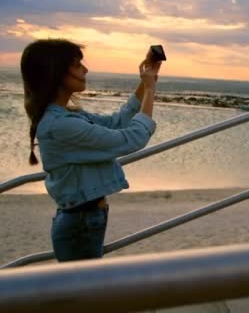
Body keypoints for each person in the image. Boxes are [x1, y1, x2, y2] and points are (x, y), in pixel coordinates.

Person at [21, 39, 162, 262]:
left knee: (83, 291)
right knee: (80, 294)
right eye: (77, 65)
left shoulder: (66, 117)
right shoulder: (61, 125)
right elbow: (133, 138)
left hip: (85, 220)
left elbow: (118, 122)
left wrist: (146, 82)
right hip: (81, 224)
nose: (85, 69)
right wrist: (151, 89)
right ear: (56, 73)